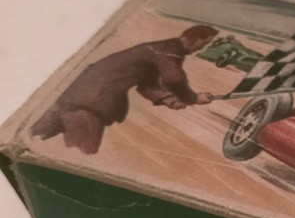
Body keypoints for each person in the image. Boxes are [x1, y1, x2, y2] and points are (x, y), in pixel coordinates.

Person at [31, 25, 219, 155]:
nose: (202, 48)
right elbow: (173, 79)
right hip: (88, 106)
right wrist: (193, 98)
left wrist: (169, 99)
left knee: (31, 137)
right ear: (197, 39)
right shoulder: (169, 51)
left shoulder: (156, 48)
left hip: (71, 96)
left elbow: (146, 84)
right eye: (205, 43)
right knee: (80, 156)